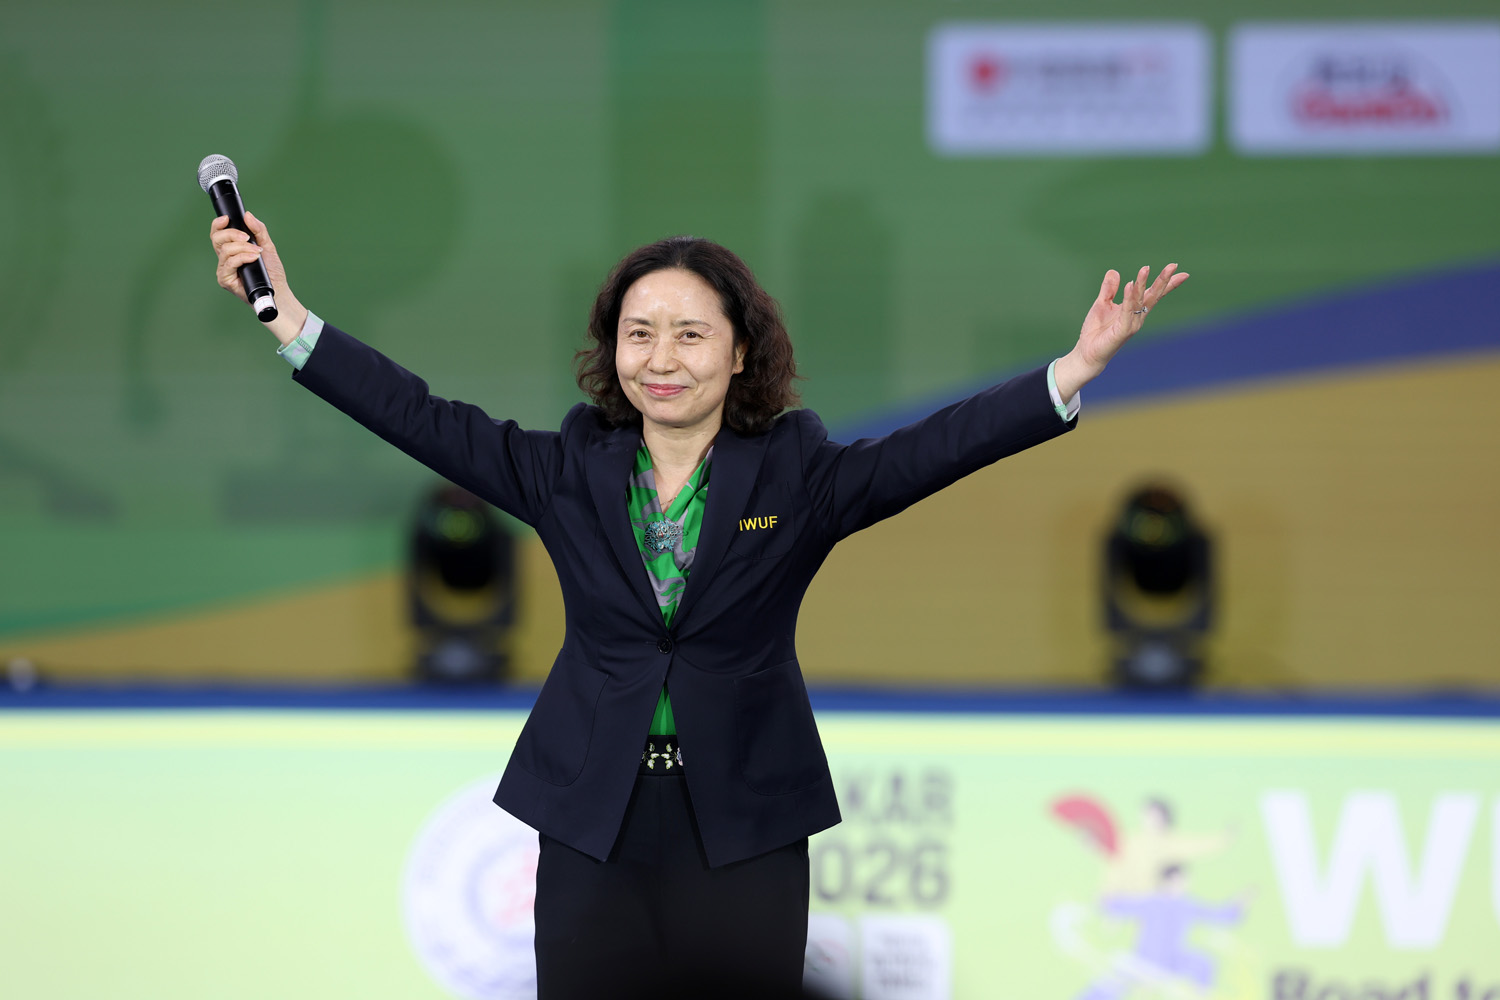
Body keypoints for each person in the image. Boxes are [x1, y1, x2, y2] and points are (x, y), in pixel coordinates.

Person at [210, 211, 1187, 999]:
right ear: (613, 350)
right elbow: (419, 416)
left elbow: (931, 449)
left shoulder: (797, 472)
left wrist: (1071, 372)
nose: (661, 357)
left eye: (689, 334)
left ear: (739, 352)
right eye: (639, 334)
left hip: (744, 821)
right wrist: (289, 319)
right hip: (594, 814)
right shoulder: (568, 468)